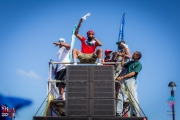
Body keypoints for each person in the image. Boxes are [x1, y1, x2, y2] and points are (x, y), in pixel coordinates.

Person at [116, 51, 142, 117]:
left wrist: (122, 77)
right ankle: (118, 112)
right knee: (120, 95)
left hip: (131, 80)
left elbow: (133, 73)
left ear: (137, 57)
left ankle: (134, 113)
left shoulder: (139, 64)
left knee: (131, 97)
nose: (132, 55)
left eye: (134, 54)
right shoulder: (130, 62)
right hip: (124, 80)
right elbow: (122, 65)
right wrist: (123, 57)